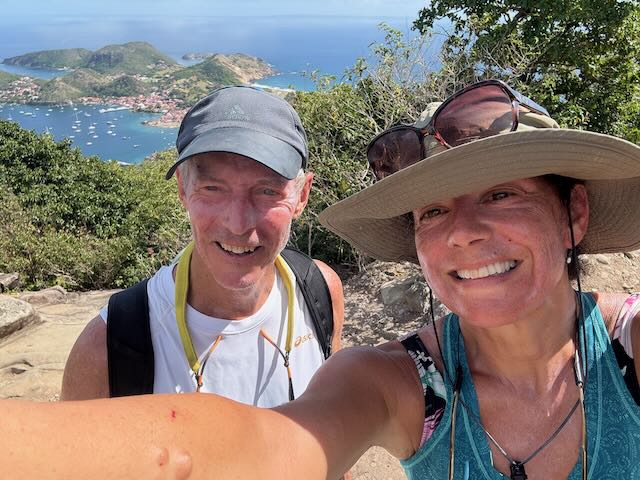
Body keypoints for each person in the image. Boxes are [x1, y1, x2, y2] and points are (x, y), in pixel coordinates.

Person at [2, 80, 639, 479]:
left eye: (501, 194)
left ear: (575, 213)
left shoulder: (629, 346)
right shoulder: (399, 383)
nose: (463, 233)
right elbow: (273, 445)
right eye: (433, 210)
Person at [60, 85, 345, 405]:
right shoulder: (107, 349)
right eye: (212, 188)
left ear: (302, 195)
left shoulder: (320, 291)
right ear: (183, 189)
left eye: (267, 191)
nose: (237, 224)